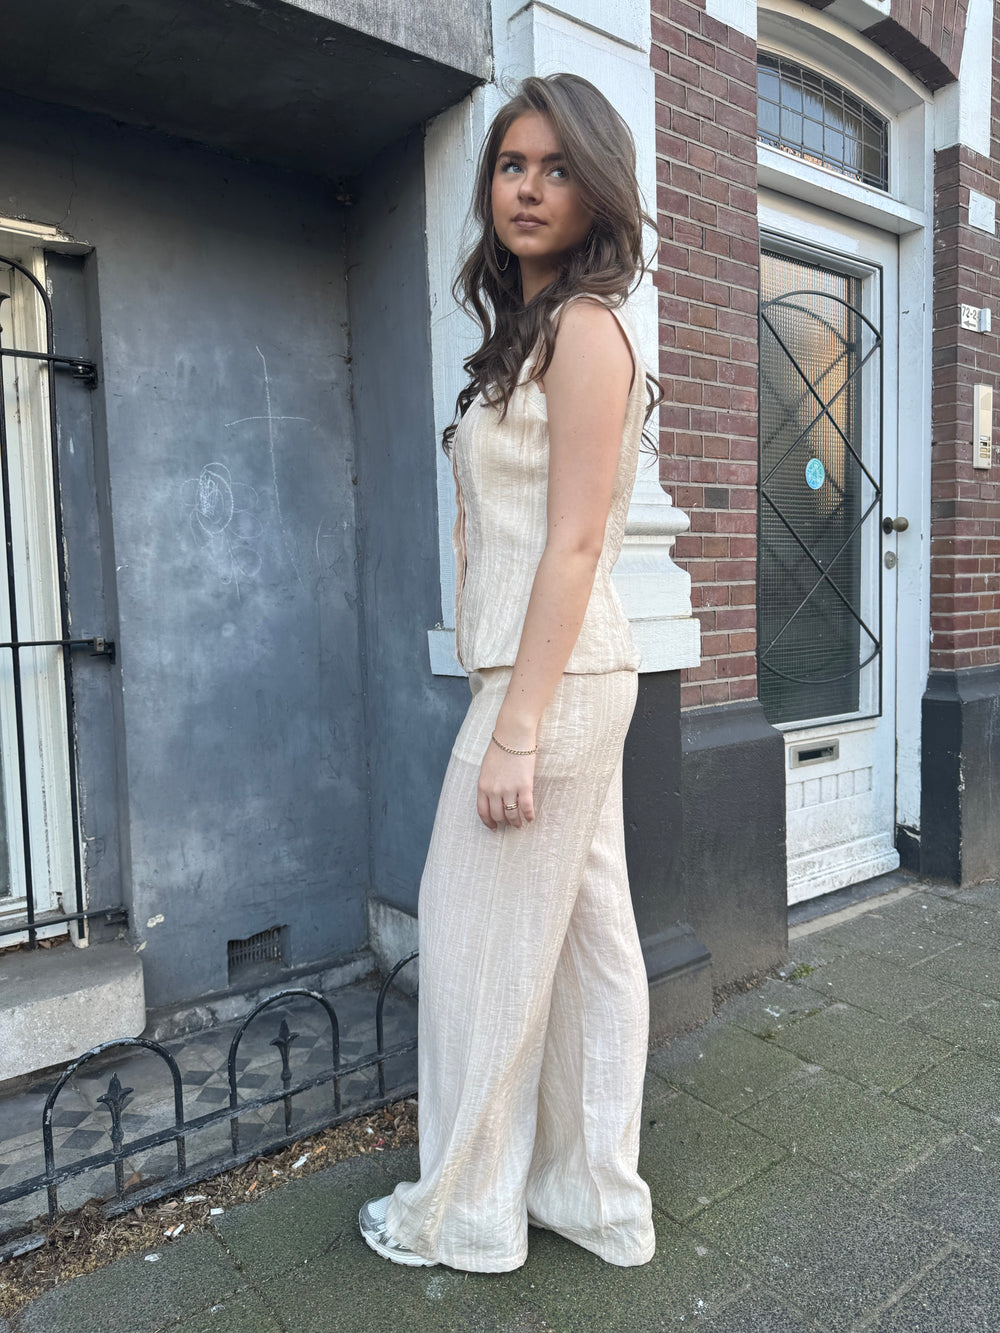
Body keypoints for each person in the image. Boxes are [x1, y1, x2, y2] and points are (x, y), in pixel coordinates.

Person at [359, 72, 661, 1273]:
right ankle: (592, 1197)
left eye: (557, 168)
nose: (528, 189)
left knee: (472, 939)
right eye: (510, 165)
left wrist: (518, 725)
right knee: (588, 945)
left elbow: (575, 543)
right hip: (559, 673)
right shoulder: (523, 339)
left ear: (598, 191)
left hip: (554, 685)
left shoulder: (586, 331)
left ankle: (467, 1211)